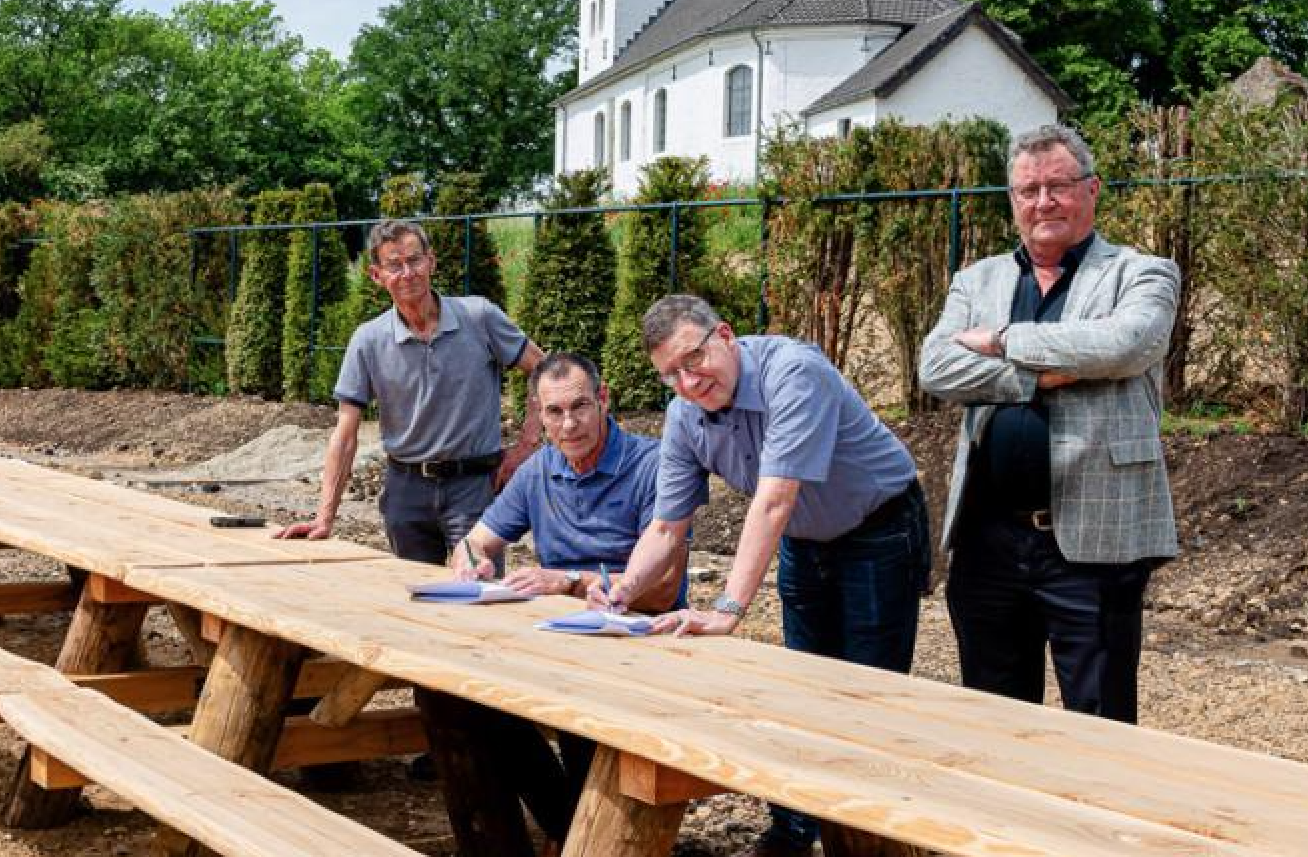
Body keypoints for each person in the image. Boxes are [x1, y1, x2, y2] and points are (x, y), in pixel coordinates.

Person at [592, 294, 929, 857]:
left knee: (869, 696)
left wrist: (728, 608)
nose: (687, 382)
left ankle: (881, 838)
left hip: (879, 527)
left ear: (724, 335)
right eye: (670, 374)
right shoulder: (684, 416)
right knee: (800, 689)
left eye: (693, 360)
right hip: (805, 535)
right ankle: (795, 834)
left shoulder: (794, 372)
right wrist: (622, 589)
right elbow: (666, 526)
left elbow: (773, 500)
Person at [918, 122, 1180, 725]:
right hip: (988, 538)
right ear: (1013, 200)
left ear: (1092, 190)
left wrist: (1002, 340)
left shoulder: (1140, 273)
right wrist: (1040, 373)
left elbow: (1124, 344)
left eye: (1057, 186)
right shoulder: (977, 279)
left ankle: (1102, 822)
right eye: (1028, 190)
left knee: (1100, 720)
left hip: (1095, 540)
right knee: (995, 718)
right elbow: (936, 368)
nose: (1043, 202)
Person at [431, 351, 685, 857]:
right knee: (457, 697)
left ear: (604, 400)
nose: (568, 424)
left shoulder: (652, 464)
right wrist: (468, 561)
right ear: (538, 415)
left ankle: (580, 833)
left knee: (581, 715)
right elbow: (476, 540)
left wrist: (570, 580)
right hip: (564, 634)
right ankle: (564, 830)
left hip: (645, 637)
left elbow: (662, 588)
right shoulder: (539, 469)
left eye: (580, 407)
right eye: (554, 413)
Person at [279, 218, 543, 563]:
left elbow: (544, 369)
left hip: (474, 487)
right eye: (394, 265)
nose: (408, 273)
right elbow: (345, 435)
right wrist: (324, 516)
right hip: (406, 492)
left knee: (479, 593)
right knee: (416, 596)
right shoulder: (368, 341)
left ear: (430, 262)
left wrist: (526, 445)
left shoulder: (479, 317)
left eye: (415, 260)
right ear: (377, 276)